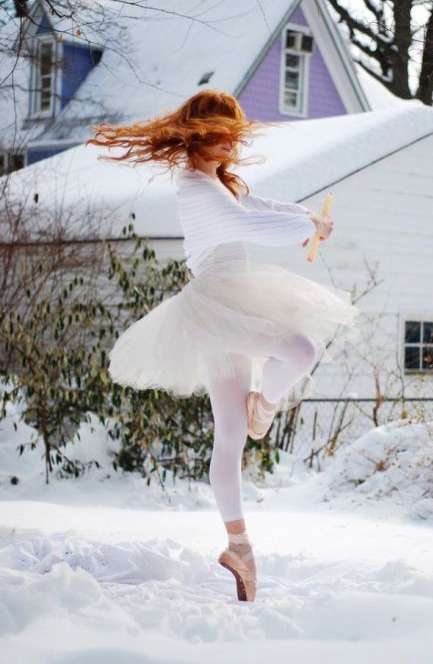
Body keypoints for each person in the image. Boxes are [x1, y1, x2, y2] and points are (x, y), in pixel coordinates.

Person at [87, 89, 360, 602]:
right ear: (200, 136)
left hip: (234, 305)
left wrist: (307, 216)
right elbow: (243, 224)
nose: (230, 147)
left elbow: (260, 206)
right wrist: (306, 225)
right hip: (214, 307)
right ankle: (266, 405)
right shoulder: (194, 187)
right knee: (299, 351)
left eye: (233, 138)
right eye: (222, 138)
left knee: (230, 433)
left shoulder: (219, 181)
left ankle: (240, 548)